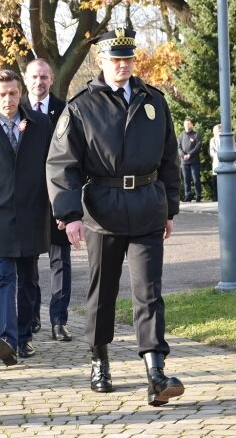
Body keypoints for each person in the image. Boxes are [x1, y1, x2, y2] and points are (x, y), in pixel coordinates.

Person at [46, 27, 184, 407]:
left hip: (147, 208)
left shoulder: (153, 101)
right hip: (103, 210)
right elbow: (62, 164)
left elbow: (169, 160)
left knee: (149, 292)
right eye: (115, 59)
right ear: (101, 61)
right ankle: (99, 359)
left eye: (128, 58)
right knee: (102, 292)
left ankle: (155, 371)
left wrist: (169, 207)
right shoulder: (82, 107)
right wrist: (69, 214)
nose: (123, 65)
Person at [0, 69, 52, 365]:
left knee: (28, 279)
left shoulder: (40, 124)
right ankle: (7, 338)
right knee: (4, 276)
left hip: (32, 213)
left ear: (21, 92)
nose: (8, 99)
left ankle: (25, 335)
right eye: (1, 94)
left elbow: (52, 169)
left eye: (13, 93)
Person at [21, 58, 73, 340]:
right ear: (26, 78)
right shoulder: (17, 110)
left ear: (51, 79)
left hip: (58, 196)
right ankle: (31, 316)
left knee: (60, 262)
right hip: (28, 198)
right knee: (28, 262)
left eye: (44, 77)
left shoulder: (64, 110)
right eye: (34, 77)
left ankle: (59, 320)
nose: (38, 82)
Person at [178, 119, 202, 201]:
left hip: (194, 161)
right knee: (186, 180)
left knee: (196, 179)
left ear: (192, 125)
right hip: (184, 162)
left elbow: (198, 147)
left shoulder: (196, 135)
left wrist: (189, 154)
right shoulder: (181, 136)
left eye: (188, 124)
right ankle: (187, 196)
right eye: (186, 124)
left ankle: (198, 195)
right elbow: (179, 148)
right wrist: (183, 155)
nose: (187, 126)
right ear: (184, 125)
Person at [208, 124, 221, 201]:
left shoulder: (226, 138)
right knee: (215, 180)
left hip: (225, 162)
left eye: (220, 130)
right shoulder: (212, 140)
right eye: (217, 131)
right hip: (217, 161)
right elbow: (212, 151)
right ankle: (216, 196)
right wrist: (217, 155)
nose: (218, 132)